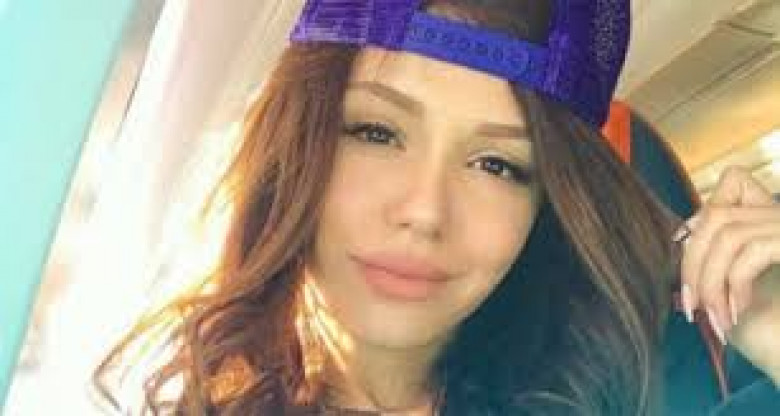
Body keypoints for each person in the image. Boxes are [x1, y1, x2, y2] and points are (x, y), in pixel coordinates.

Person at [94, 0, 780, 414]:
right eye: (376, 132)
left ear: (545, 209)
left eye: (497, 165)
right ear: (295, 147)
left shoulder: (621, 398)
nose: (425, 211)